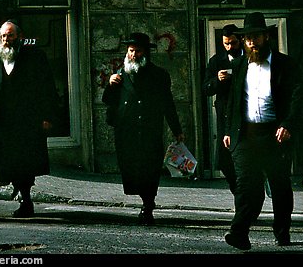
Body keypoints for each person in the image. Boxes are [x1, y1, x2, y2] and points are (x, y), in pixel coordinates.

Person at [222, 12, 303, 250]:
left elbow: (297, 97)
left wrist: (287, 124)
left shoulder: (284, 64)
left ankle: (281, 231)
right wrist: (228, 129)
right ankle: (239, 233)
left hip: (274, 134)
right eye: (247, 38)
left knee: (279, 186)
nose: (251, 42)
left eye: (256, 37)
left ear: (265, 37)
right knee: (246, 186)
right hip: (246, 134)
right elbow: (233, 100)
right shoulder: (238, 65)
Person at [102, 32, 185, 226]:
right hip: (127, 131)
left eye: (137, 51)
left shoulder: (159, 75)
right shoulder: (121, 74)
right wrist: (111, 85)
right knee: (131, 169)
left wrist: (176, 129)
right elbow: (108, 101)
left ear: (146, 52)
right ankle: (144, 200)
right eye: (131, 51)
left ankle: (148, 205)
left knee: (149, 169)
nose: (133, 55)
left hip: (149, 130)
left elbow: (167, 103)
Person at [0, 20, 60, 218]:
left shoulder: (35, 58)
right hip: (3, 123)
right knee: (9, 161)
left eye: (10, 35)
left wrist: (47, 116)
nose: (6, 40)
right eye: (3, 37)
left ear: (20, 37)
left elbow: (47, 89)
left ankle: (26, 199)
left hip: (27, 121)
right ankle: (20, 192)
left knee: (25, 162)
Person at [202, 24, 243, 191]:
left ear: (240, 40)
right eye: (226, 43)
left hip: (243, 112)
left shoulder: (248, 58)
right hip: (225, 114)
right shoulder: (217, 61)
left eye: (232, 43)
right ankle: (237, 189)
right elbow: (206, 89)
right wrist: (217, 80)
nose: (229, 47)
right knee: (225, 159)